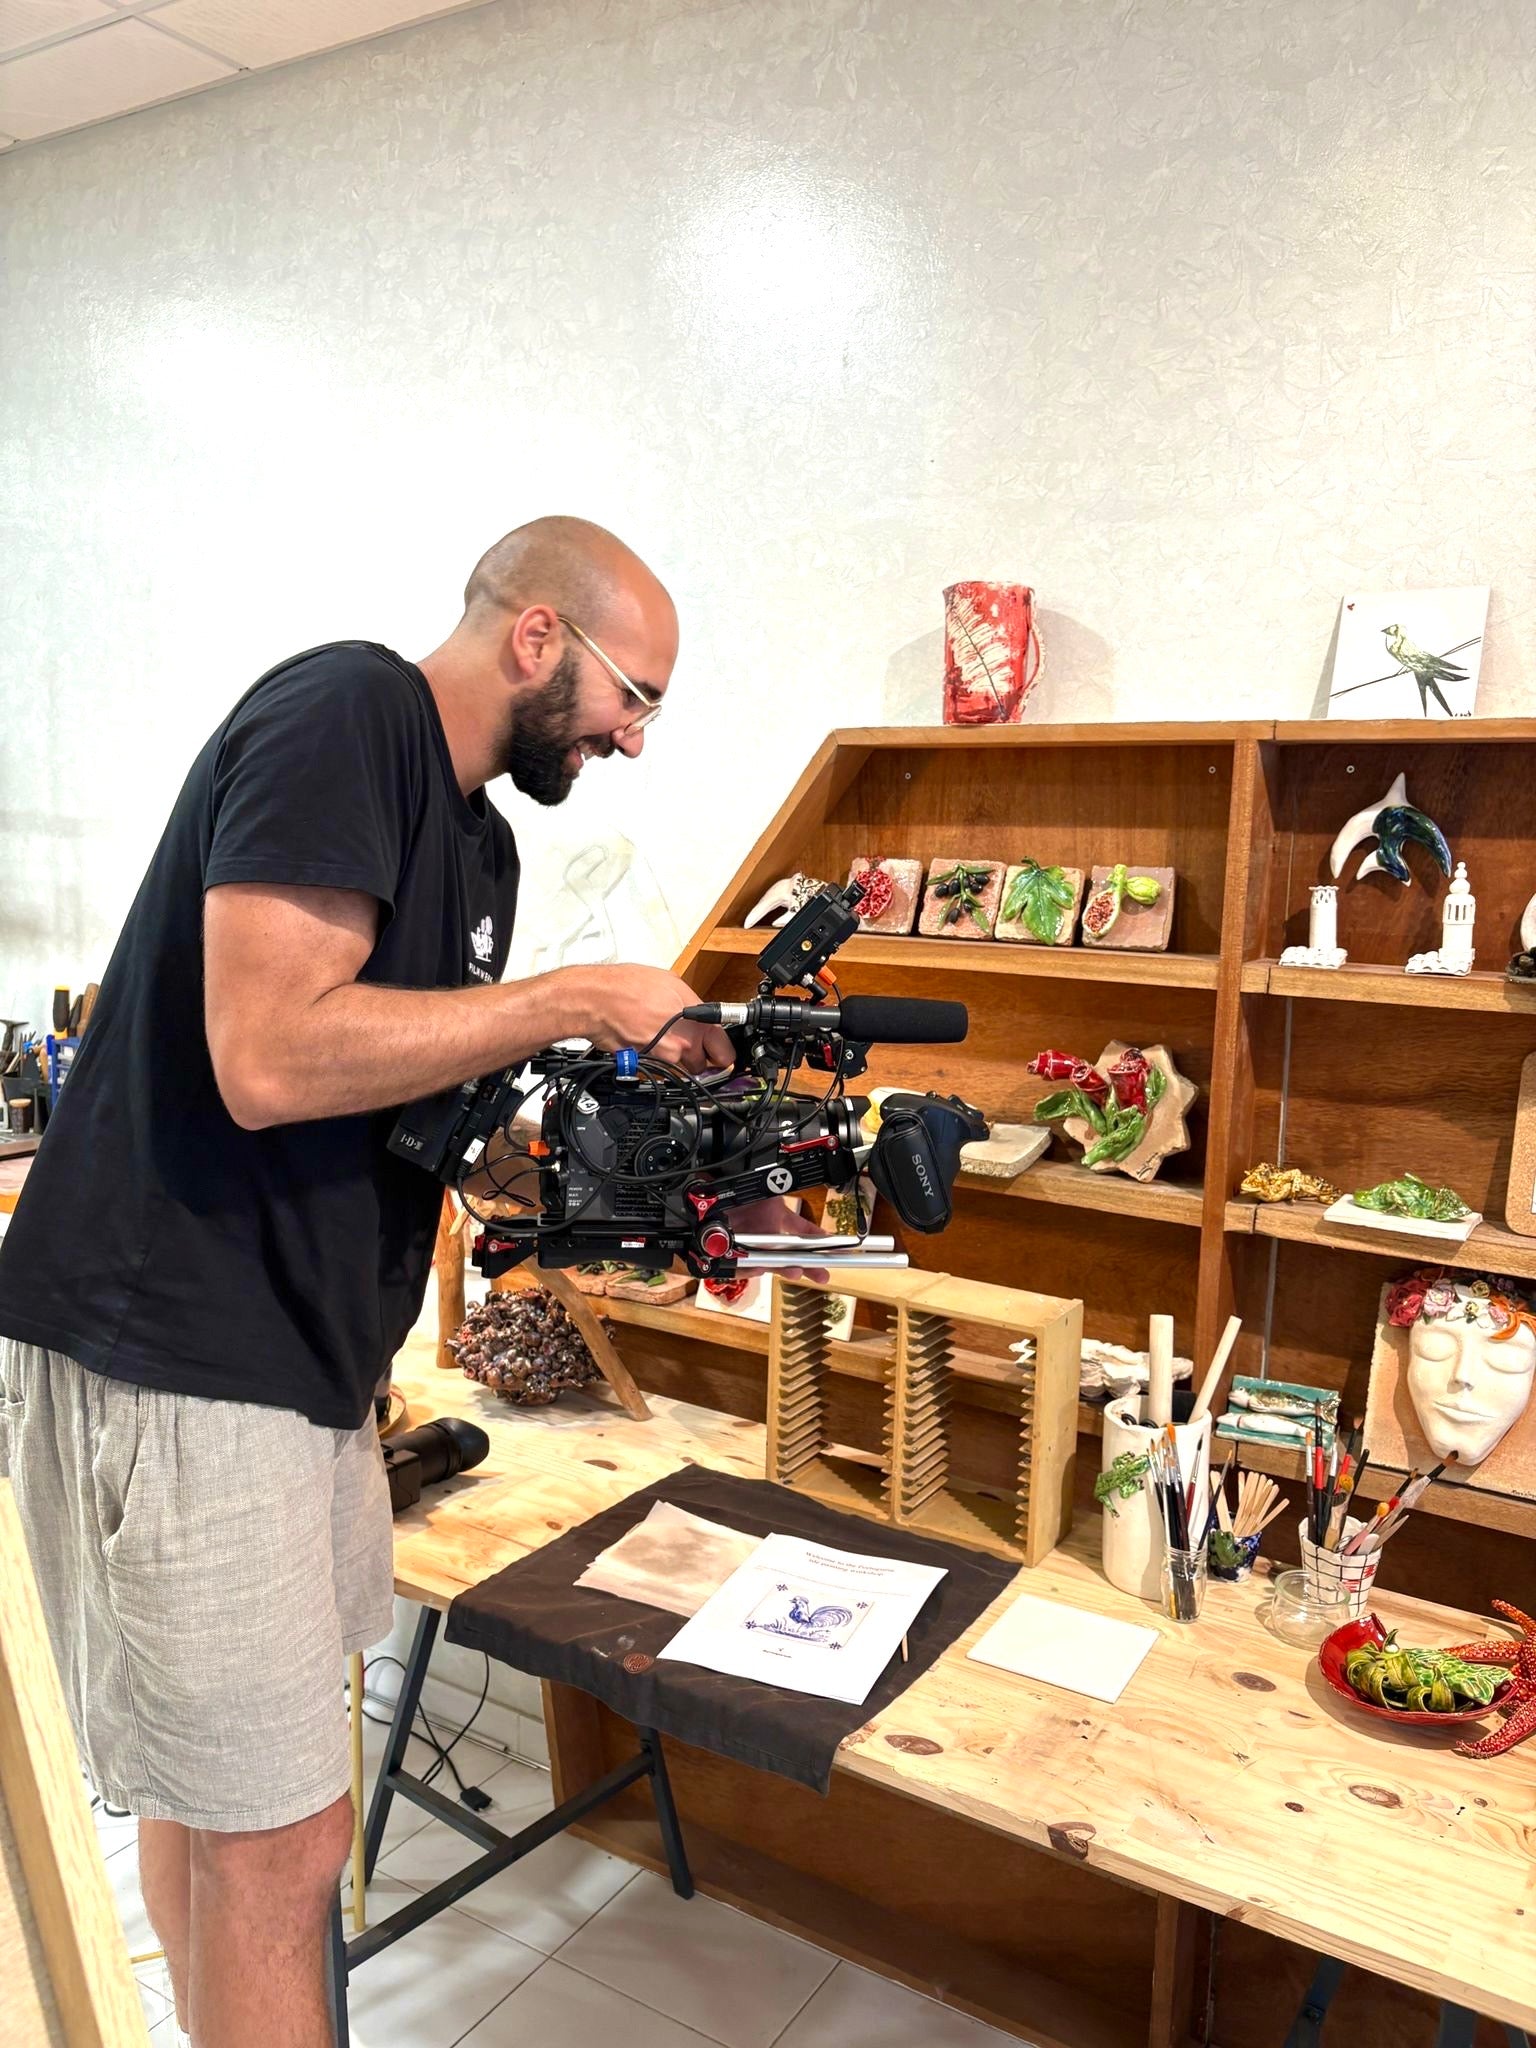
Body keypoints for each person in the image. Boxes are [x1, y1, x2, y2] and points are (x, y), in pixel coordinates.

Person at [0, 516, 813, 2047]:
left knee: (234, 1811)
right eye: (634, 696)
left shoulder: (480, 843)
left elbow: (403, 1099)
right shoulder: (347, 711)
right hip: (175, 1346)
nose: (636, 739)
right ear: (536, 638)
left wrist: (618, 1188)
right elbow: (265, 1056)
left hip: (304, 1371)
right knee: (285, 1843)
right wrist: (575, 992)